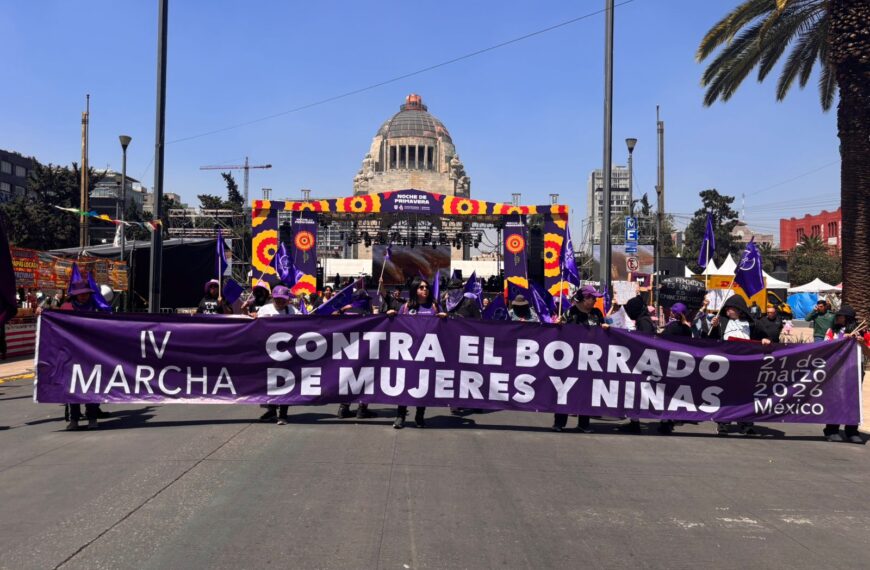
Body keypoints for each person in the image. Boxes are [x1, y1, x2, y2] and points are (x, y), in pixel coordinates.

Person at [386, 277, 446, 429]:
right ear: (414, 290)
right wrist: (391, 317)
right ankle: (400, 415)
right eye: (421, 287)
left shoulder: (434, 306)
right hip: (408, 353)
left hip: (427, 353)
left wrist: (445, 319)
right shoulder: (406, 307)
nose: (424, 289)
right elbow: (397, 328)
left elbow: (442, 330)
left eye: (426, 287)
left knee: (423, 385)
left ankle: (420, 415)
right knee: (404, 383)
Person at [707, 295, 771, 436]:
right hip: (727, 363)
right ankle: (723, 422)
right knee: (726, 393)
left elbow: (766, 336)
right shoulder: (721, 321)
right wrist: (714, 327)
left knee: (746, 394)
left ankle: (746, 423)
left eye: (731, 309)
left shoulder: (753, 323)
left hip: (746, 363)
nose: (728, 311)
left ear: (740, 310)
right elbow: (709, 340)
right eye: (727, 309)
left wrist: (766, 339)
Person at [553, 285, 608, 433]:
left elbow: (603, 329)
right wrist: (558, 325)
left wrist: (605, 329)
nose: (595, 300)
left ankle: (583, 424)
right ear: (584, 299)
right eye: (592, 298)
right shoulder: (571, 312)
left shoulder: (597, 313)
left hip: (590, 360)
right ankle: (559, 423)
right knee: (565, 391)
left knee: (586, 392)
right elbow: (559, 332)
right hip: (570, 360)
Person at [59, 280, 103, 429]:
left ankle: (92, 418)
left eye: (86, 294)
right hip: (71, 354)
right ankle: (74, 419)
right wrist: (42, 312)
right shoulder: (66, 308)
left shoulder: (96, 307)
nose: (83, 296)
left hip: (92, 353)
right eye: (81, 294)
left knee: (91, 386)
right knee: (73, 387)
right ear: (75, 295)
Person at [822, 304, 867, 443]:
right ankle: (832, 429)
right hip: (837, 369)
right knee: (836, 398)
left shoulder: (863, 333)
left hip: (855, 368)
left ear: (847, 318)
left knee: (854, 399)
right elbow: (825, 348)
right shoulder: (832, 331)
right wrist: (841, 340)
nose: (837, 317)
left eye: (839, 315)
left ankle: (852, 430)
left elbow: (868, 353)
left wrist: (862, 343)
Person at [257, 285, 298, 425]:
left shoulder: (292, 310)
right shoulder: (264, 310)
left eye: (283, 299)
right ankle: (271, 410)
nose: (280, 302)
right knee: (269, 383)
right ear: (272, 298)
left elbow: (305, 324)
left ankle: (283, 414)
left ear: (287, 300)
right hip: (268, 354)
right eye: (277, 299)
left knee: (285, 383)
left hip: (286, 354)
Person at [336, 289, 377, 419]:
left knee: (348, 378)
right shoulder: (366, 313)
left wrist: (341, 310)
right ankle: (362, 409)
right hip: (364, 352)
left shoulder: (343, 312)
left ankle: (343, 408)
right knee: (366, 378)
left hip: (345, 351)